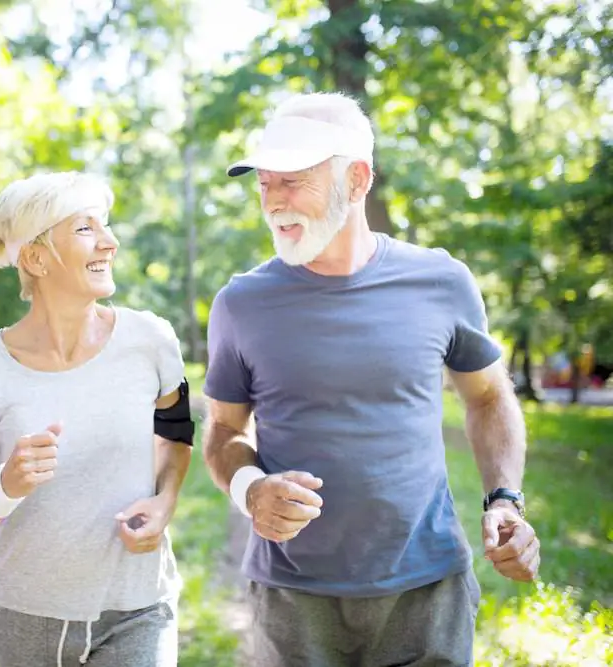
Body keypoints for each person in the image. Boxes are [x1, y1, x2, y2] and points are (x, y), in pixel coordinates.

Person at [201, 92, 541, 667]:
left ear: (357, 180)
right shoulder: (241, 302)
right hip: (293, 598)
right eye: (264, 182)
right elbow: (223, 432)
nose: (273, 200)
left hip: (426, 590)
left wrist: (504, 498)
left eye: (293, 181)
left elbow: (488, 397)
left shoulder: (442, 280)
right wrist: (249, 489)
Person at [0, 171, 195, 667]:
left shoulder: (152, 340)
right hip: (30, 615)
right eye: (85, 229)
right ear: (35, 257)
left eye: (107, 226)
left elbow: (176, 432)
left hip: (141, 605)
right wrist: (6, 485)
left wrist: (166, 500)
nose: (110, 242)